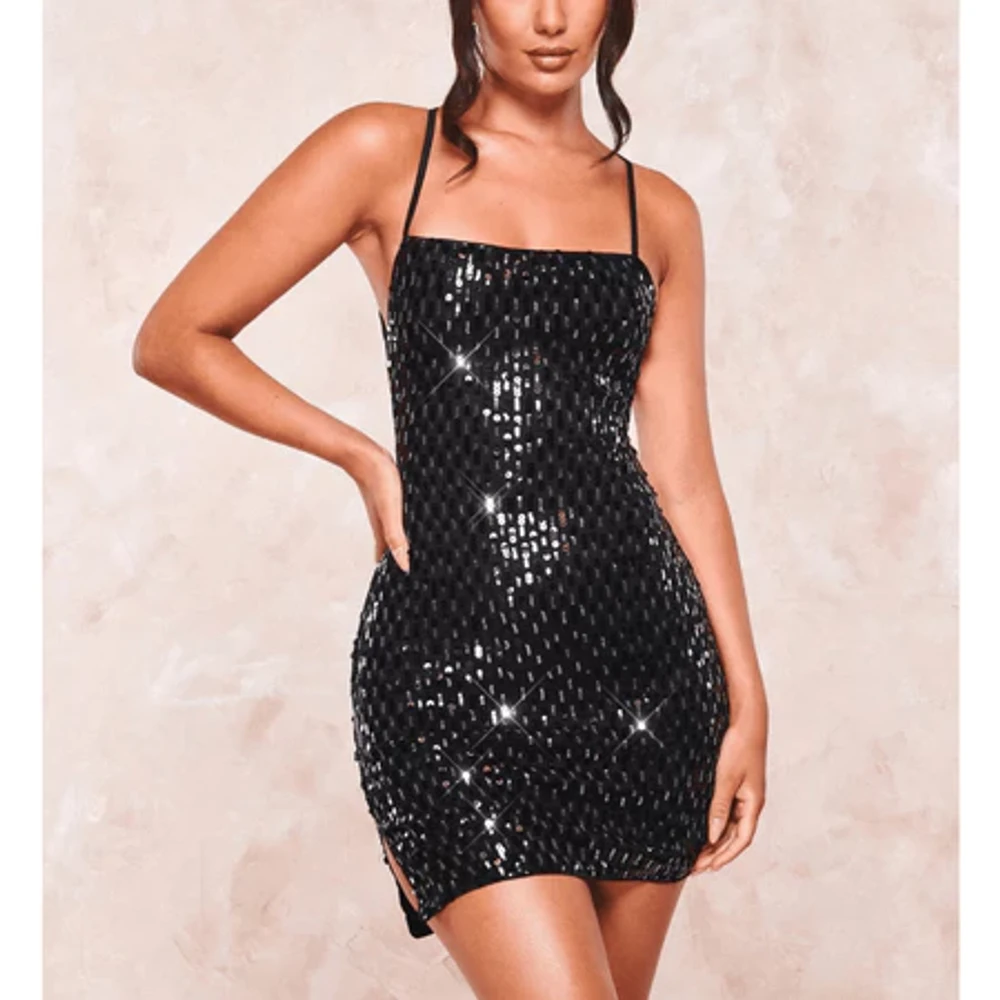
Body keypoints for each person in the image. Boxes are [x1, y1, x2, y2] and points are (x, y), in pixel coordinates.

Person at [132, 2, 768, 997]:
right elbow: (176, 337)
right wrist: (360, 455)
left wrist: (748, 701)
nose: (551, 19)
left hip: (648, 681)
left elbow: (683, 475)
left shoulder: (659, 211)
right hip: (449, 676)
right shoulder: (384, 151)